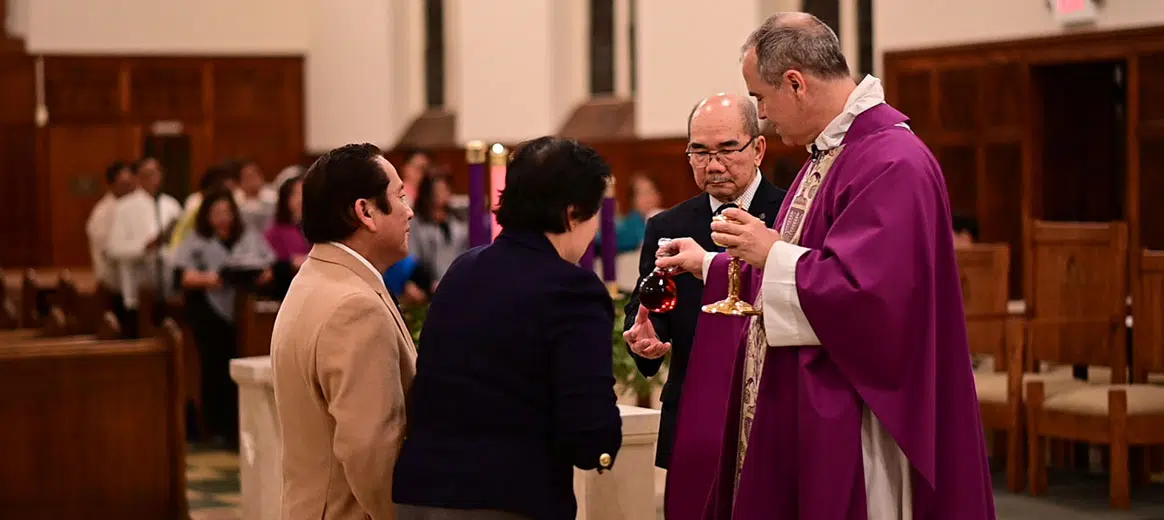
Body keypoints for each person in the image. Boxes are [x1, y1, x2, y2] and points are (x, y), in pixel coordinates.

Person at [650, 13, 994, 519]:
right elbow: (809, 264)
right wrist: (710, 265)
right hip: (815, 399)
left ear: (796, 84)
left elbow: (867, 300)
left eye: (761, 99)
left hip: (860, 418)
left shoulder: (891, 162)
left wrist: (768, 252)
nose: (763, 116)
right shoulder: (832, 155)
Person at [393, 137, 623, 520]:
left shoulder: (463, 269)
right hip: (509, 497)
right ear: (572, 213)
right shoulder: (572, 290)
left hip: (420, 494)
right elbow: (587, 430)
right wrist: (603, 442)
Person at [622, 93, 786, 473]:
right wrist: (645, 335)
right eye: (700, 152)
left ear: (758, 148)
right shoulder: (668, 226)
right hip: (693, 410)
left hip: (771, 407)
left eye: (727, 150)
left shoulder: (790, 214)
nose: (713, 166)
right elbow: (650, 303)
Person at [271, 143, 417, 520]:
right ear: (365, 211)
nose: (409, 210)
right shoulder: (354, 306)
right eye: (399, 196)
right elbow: (371, 452)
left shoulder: (317, 275)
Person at [171, 189, 275, 449]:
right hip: (208, 311)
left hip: (243, 311)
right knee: (214, 367)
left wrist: (260, 275)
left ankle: (238, 426)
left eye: (227, 212)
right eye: (217, 213)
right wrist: (212, 279)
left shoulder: (247, 235)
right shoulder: (197, 239)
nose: (223, 218)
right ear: (206, 216)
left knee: (242, 361)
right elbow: (182, 276)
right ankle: (215, 427)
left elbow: (268, 266)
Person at [104, 157, 183, 335]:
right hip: (138, 287)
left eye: (156, 173)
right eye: (147, 175)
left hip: (167, 284)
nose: (153, 179)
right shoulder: (125, 207)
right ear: (138, 178)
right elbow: (113, 249)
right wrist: (145, 247)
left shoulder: (170, 204)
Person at [86, 161, 137, 315]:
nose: (129, 188)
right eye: (124, 184)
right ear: (112, 185)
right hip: (113, 284)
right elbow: (108, 250)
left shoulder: (134, 207)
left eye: (131, 184)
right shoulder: (102, 213)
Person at [408, 172, 468, 291]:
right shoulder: (417, 222)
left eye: (445, 189)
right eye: (437, 190)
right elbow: (412, 257)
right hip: (425, 285)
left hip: (457, 282)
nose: (442, 193)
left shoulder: (458, 221)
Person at [264, 175, 309, 299]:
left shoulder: (320, 227)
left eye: (305, 193)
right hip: (286, 288)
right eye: (296, 194)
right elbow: (269, 266)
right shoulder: (275, 230)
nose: (301, 199)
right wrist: (291, 263)